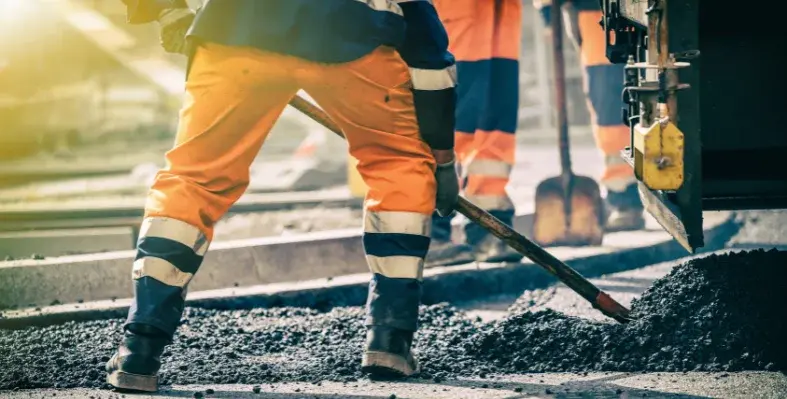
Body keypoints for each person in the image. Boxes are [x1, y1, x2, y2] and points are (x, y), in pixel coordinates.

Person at [106, 0, 459, 392]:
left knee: (194, 178)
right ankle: (390, 340)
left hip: (237, 26)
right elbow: (428, 53)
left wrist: (169, 10)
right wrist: (439, 157)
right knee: (398, 165)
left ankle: (140, 346)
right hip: (351, 31)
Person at [424, 0, 526, 267]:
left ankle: (489, 226)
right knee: (449, 108)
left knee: (494, 120)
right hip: (453, 9)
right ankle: (429, 233)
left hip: (499, 10)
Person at [535, 0, 645, 231]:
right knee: (610, 106)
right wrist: (547, 11)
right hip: (596, 12)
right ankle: (624, 196)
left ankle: (637, 195)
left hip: (650, 10)